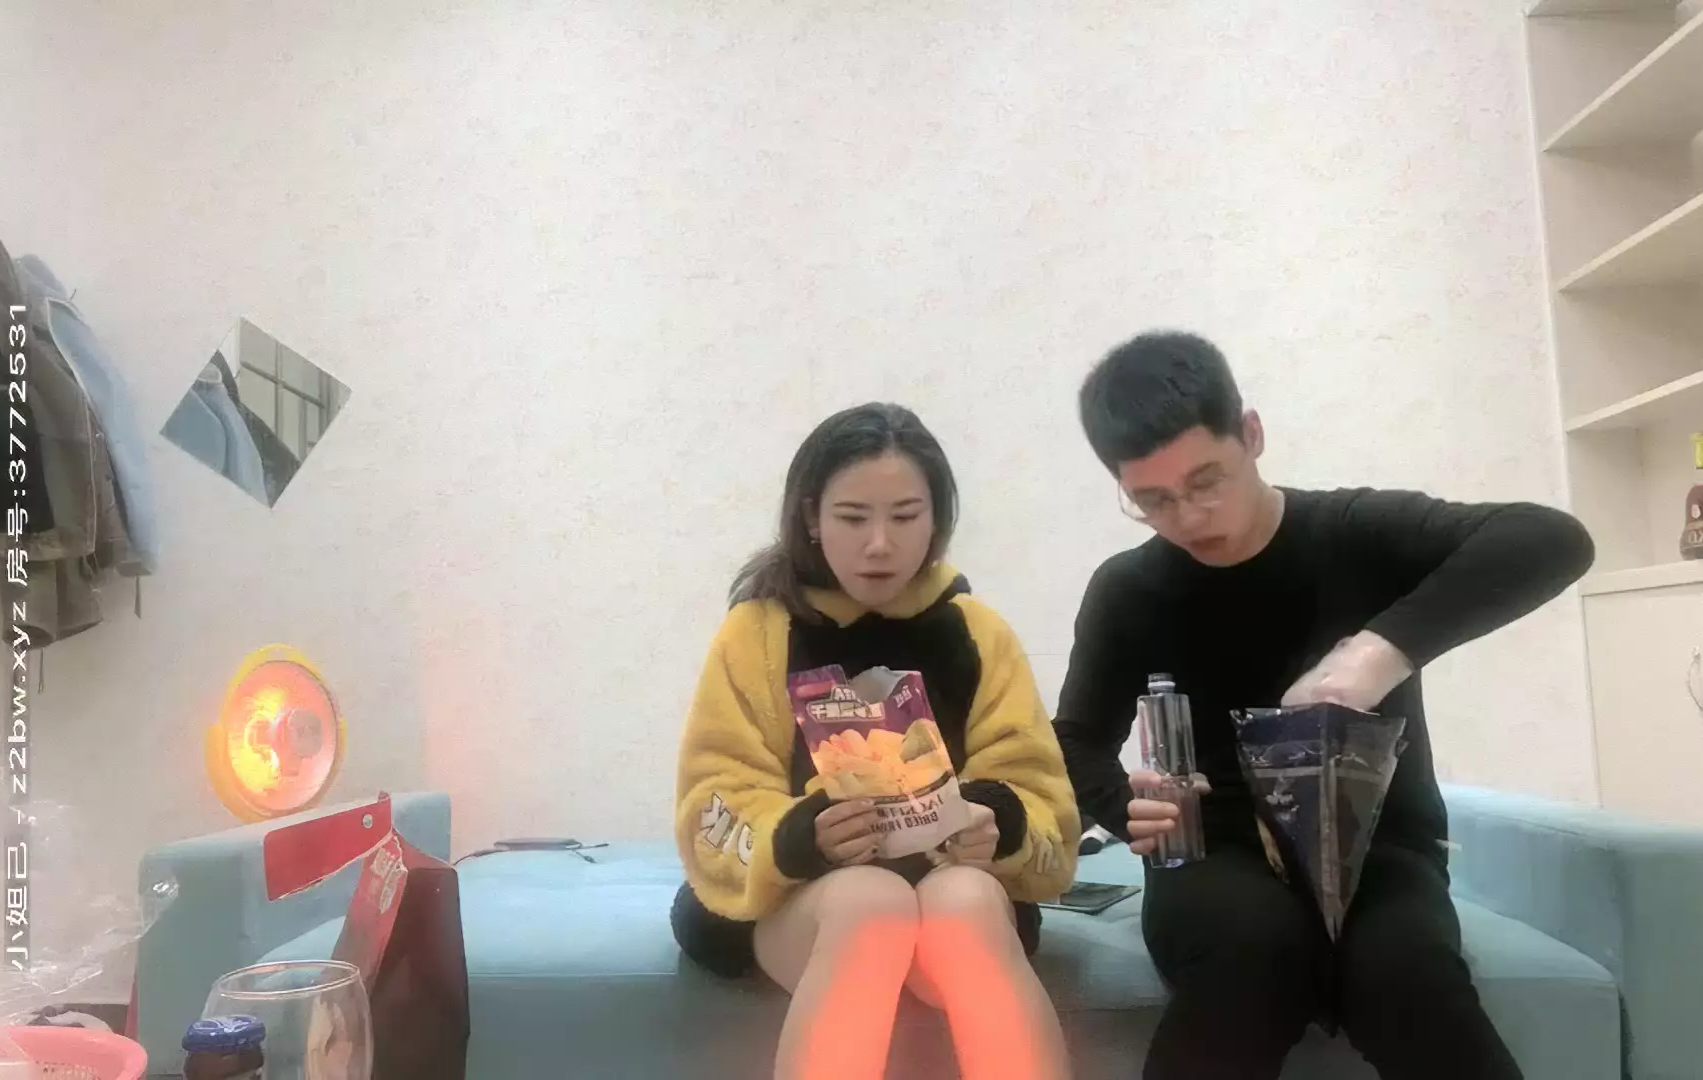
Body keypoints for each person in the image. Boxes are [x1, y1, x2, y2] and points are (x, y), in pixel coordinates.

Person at [1053, 331, 1595, 1080]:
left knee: (1407, 978)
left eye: (1207, 480)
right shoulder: (1127, 589)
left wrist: (1376, 653)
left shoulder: (1355, 533)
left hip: (1379, 844)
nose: (1189, 516)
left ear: (1251, 433)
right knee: (1254, 956)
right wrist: (1124, 807)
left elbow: (1552, 539)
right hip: (1214, 851)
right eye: (1152, 500)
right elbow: (1075, 739)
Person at [671, 403, 1081, 1080]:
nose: (880, 544)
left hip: (952, 887)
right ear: (812, 517)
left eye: (906, 516)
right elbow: (715, 795)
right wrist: (803, 834)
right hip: (800, 899)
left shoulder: (977, 631)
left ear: (937, 519)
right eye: (853, 518)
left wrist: (997, 822)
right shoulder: (758, 631)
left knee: (965, 902)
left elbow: (1040, 798)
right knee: (871, 904)